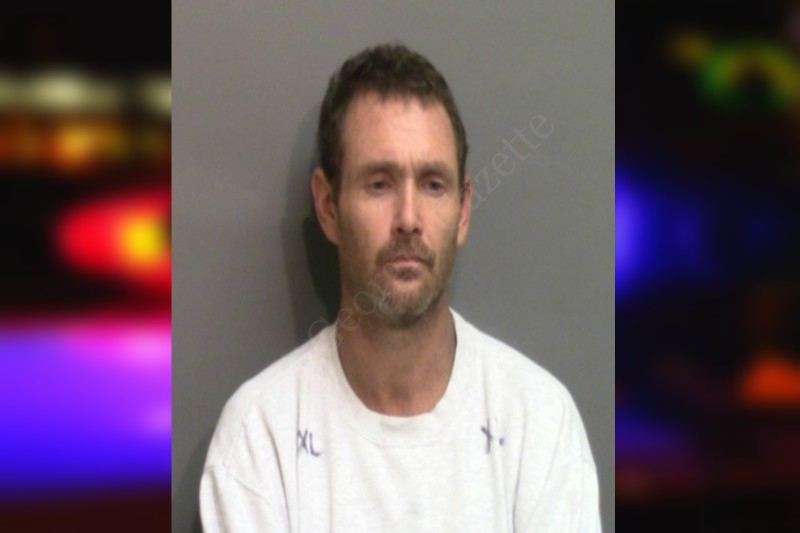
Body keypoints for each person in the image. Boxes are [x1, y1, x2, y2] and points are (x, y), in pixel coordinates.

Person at [200, 43, 601, 532]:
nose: (408, 219)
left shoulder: (540, 425)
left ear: (463, 210)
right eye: (379, 183)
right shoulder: (259, 440)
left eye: (433, 184)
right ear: (328, 206)